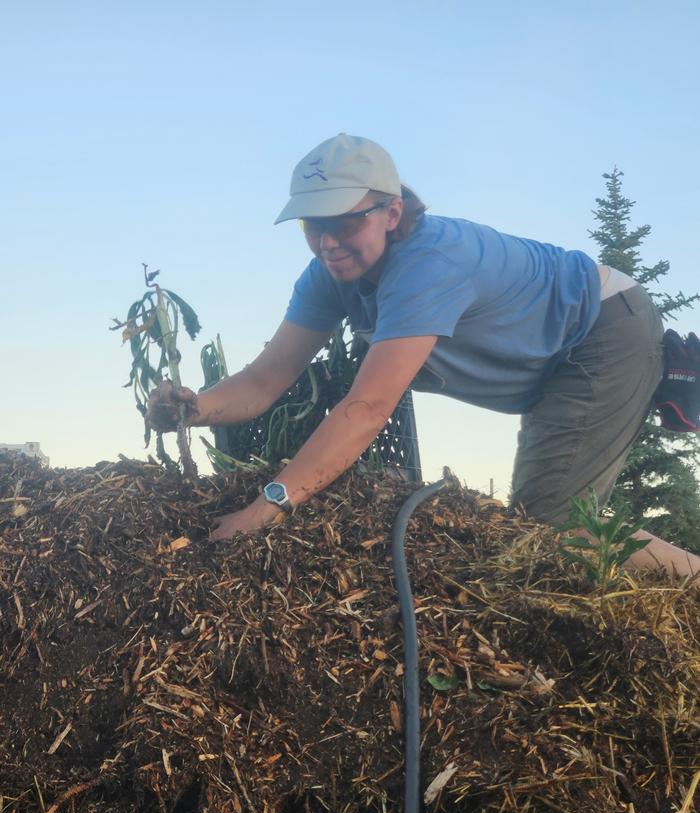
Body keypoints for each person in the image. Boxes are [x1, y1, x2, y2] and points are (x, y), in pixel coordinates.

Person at [148, 133, 700, 579]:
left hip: (602, 329)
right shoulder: (328, 276)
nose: (327, 242)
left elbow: (366, 409)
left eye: (345, 221)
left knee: (551, 525)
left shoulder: (429, 264)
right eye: (312, 226)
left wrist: (265, 507)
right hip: (558, 355)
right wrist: (193, 408)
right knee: (542, 524)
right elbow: (265, 380)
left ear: (392, 212)